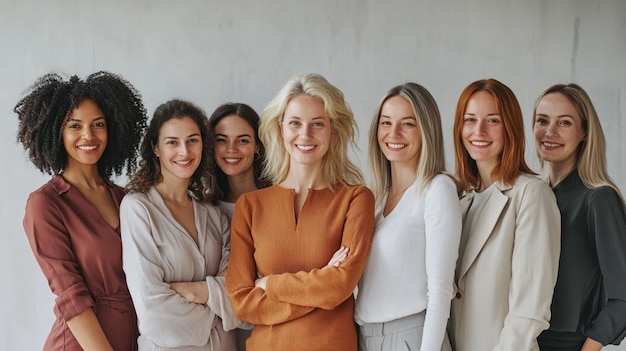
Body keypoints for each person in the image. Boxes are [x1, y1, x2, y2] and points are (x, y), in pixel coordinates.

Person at [226, 73, 375, 351]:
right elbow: (242, 302)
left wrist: (270, 284)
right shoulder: (249, 206)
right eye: (295, 123)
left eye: (317, 124)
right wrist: (319, 286)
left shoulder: (356, 198)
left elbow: (339, 286)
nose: (305, 135)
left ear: (333, 129)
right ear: (281, 128)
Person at [15, 71, 147, 351]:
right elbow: (71, 297)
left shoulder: (126, 199)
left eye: (98, 124)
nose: (89, 135)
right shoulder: (46, 204)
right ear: (56, 132)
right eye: (74, 126)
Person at [121, 99, 246, 351]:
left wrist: (196, 292)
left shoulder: (213, 214)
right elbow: (152, 311)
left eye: (192, 140)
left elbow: (240, 294)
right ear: (155, 148)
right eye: (172, 142)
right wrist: (217, 309)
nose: (184, 152)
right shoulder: (138, 209)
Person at [448, 78, 561, 350]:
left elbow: (530, 309)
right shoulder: (458, 200)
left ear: (510, 127)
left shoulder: (531, 195)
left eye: (493, 120)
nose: (479, 130)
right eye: (470, 119)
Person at [354, 83, 461, 351]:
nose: (394, 133)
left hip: (410, 338)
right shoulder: (375, 198)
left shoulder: (437, 190)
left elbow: (440, 291)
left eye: (408, 124)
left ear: (427, 130)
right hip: (366, 338)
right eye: (386, 122)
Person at [532, 84, 626, 351]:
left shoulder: (598, 198)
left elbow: (623, 297)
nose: (550, 132)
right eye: (542, 121)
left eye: (564, 122)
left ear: (584, 132)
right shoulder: (532, 196)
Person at [207, 102, 269, 350]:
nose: (231, 149)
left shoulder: (277, 200)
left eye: (242, 140)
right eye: (222, 140)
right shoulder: (203, 207)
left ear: (257, 147)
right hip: (218, 332)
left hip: (268, 328)